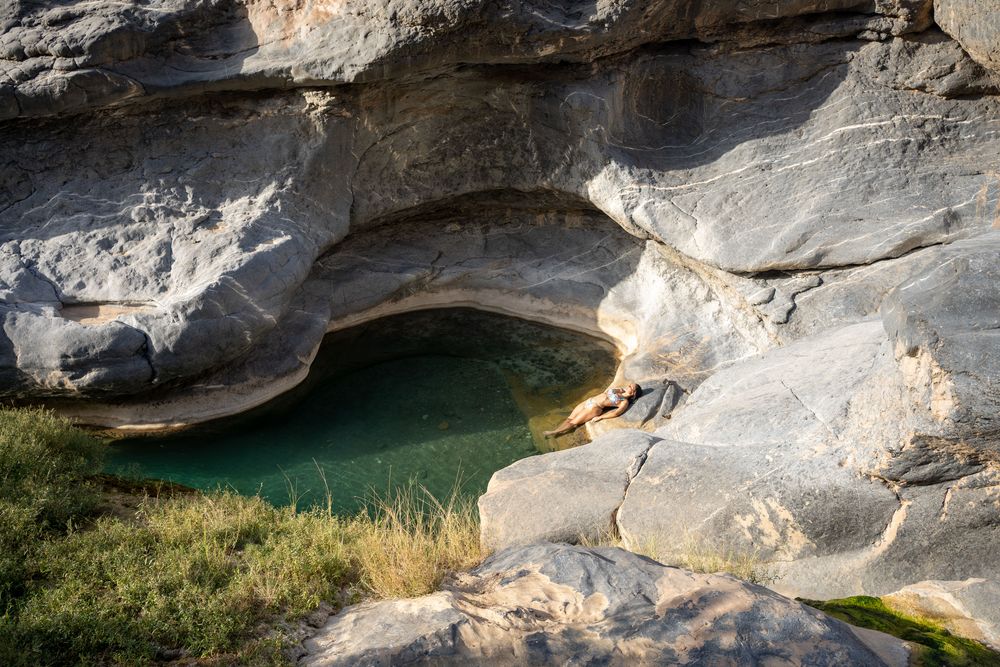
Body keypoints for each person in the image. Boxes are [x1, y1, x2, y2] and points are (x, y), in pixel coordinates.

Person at [543, 382, 641, 438]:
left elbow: (616, 413)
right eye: (629, 385)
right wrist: (619, 390)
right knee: (570, 418)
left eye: (630, 386)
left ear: (633, 392)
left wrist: (600, 417)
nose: (628, 385)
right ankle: (557, 430)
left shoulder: (624, 402)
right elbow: (607, 392)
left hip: (595, 408)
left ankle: (554, 433)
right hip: (589, 401)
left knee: (574, 423)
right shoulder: (621, 390)